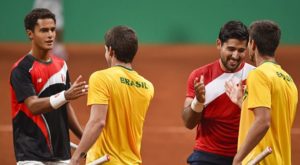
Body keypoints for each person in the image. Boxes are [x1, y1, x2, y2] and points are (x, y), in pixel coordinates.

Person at [10, 8, 88, 164]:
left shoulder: (61, 65)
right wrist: (65, 95)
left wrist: (86, 139)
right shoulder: (21, 69)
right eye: (44, 30)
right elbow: (33, 106)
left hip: (61, 152)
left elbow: (65, 108)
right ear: (30, 33)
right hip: (31, 153)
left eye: (53, 30)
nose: (51, 35)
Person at [70, 25, 154, 165]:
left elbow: (98, 122)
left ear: (110, 51)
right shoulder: (147, 87)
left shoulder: (100, 78)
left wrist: (76, 158)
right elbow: (123, 98)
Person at [182, 20, 255, 165]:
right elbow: (188, 122)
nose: (235, 55)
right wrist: (199, 101)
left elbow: (263, 120)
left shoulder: (255, 76)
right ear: (219, 44)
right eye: (231, 49)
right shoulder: (200, 76)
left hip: (244, 153)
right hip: (207, 155)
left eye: (241, 50)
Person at [225, 20, 298, 165]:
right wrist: (242, 102)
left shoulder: (258, 75)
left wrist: (238, 158)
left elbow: (263, 121)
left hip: (260, 161)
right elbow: (273, 119)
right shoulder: (289, 81)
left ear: (252, 44)